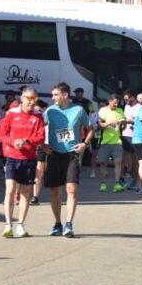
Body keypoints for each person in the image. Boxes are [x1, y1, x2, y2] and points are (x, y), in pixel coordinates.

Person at [0, 88, 45, 238]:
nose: (31, 102)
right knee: (10, 189)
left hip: (29, 158)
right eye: (29, 98)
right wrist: (13, 142)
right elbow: (2, 134)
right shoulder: (11, 113)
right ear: (22, 98)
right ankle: (8, 225)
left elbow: (41, 137)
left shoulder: (38, 116)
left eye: (34, 99)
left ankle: (21, 224)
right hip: (12, 157)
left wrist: (27, 141)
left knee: (26, 193)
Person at [43, 82, 92, 237]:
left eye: (55, 95)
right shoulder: (50, 111)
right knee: (55, 191)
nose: (52, 98)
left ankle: (69, 224)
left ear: (65, 95)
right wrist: (44, 146)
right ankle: (57, 223)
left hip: (72, 154)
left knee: (71, 189)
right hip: (54, 154)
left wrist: (85, 144)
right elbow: (39, 129)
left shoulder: (78, 110)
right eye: (52, 95)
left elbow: (91, 128)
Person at [97, 93, 127, 193]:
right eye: (114, 103)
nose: (116, 105)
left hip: (117, 141)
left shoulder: (120, 111)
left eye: (117, 103)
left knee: (118, 162)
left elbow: (123, 127)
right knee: (103, 163)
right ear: (109, 101)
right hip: (105, 141)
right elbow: (100, 125)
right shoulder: (103, 110)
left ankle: (117, 183)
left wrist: (123, 123)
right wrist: (111, 122)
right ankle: (103, 183)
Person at [121, 90, 140, 190]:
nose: (126, 101)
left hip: (135, 136)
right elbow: (125, 118)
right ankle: (121, 179)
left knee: (134, 160)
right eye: (124, 100)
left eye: (127, 99)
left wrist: (132, 122)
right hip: (125, 135)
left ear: (133, 97)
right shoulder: (126, 106)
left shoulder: (140, 108)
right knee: (122, 158)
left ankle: (134, 181)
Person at [31, 99, 49, 205]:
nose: (37, 112)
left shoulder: (50, 116)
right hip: (40, 146)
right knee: (39, 172)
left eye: (39, 110)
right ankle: (35, 196)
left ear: (43, 109)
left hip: (52, 146)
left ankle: (57, 194)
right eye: (35, 110)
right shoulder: (35, 119)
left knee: (54, 171)